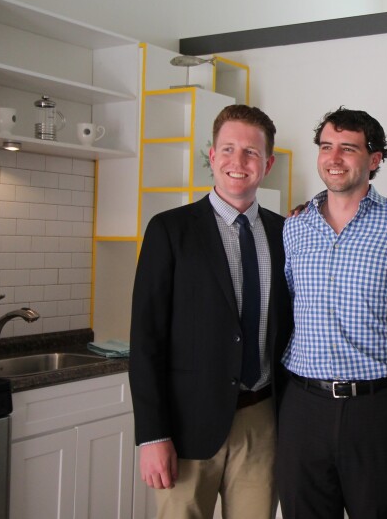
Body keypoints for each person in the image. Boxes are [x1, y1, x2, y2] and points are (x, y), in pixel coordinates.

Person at [129, 104, 293, 518]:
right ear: (211, 155)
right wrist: (152, 436)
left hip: (262, 423)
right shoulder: (170, 230)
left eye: (251, 152)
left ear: (268, 163)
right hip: (186, 426)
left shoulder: (286, 233)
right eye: (228, 149)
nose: (238, 162)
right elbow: (146, 339)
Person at [277, 107, 387, 518]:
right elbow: (287, 307)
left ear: (375, 158)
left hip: (374, 410)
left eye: (348, 148)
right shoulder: (295, 227)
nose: (334, 157)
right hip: (303, 407)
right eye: (326, 146)